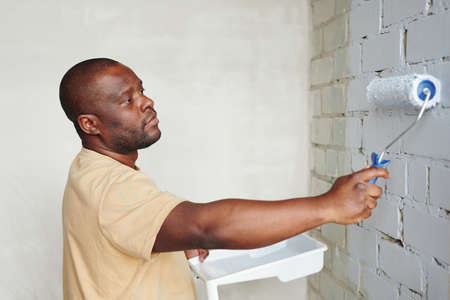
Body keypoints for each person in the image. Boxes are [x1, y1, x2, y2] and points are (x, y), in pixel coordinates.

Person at [59, 58, 389, 300]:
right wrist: (328, 206)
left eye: (142, 90)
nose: (147, 101)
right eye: (128, 99)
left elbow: (125, 230)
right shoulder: (112, 188)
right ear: (90, 124)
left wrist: (175, 239)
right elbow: (208, 226)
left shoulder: (89, 169)